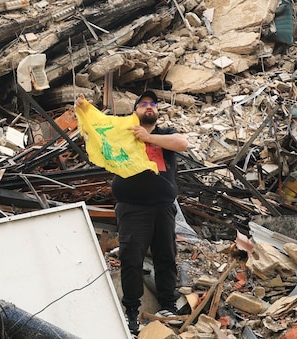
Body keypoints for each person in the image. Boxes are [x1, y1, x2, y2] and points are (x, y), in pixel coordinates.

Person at [112, 90, 189, 334]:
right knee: (131, 260)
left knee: (166, 256)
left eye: (152, 104)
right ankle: (132, 313)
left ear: (156, 112)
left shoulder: (165, 135)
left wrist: (149, 137)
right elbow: (96, 132)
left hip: (163, 208)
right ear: (134, 111)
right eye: (143, 104)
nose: (149, 107)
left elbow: (183, 144)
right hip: (132, 208)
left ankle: (167, 306)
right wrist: (83, 109)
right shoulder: (124, 134)